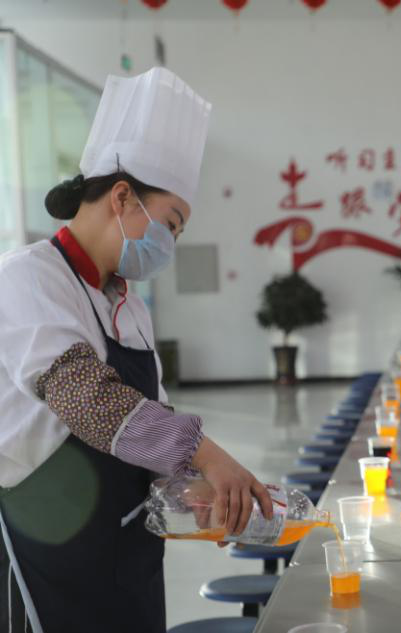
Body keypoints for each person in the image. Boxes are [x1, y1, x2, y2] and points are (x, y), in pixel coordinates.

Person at [0, 67, 273, 633]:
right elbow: (86, 398)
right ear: (122, 196)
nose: (169, 242)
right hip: (49, 554)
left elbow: (148, 434)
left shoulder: (129, 306)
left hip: (127, 555)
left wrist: (198, 496)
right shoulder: (27, 277)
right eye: (170, 223)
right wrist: (210, 455)